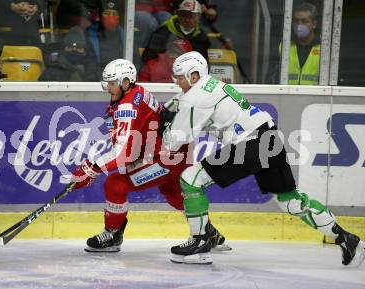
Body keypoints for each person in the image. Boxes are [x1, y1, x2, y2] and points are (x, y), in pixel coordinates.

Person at [162, 51, 365, 265]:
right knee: (290, 201)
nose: (177, 82)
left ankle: (200, 242)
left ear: (194, 76)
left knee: (190, 180)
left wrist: (165, 126)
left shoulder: (195, 97)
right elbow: (179, 101)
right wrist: (169, 109)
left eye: (180, 77)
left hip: (250, 144)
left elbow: (174, 141)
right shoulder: (210, 84)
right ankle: (345, 237)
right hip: (269, 137)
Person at [68, 58, 228, 252]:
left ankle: (112, 234)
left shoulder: (127, 108)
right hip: (175, 152)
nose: (107, 88)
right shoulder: (138, 91)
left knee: (115, 184)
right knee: (174, 194)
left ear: (125, 82)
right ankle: (208, 232)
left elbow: (122, 154)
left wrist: (91, 167)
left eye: (111, 84)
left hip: (164, 157)